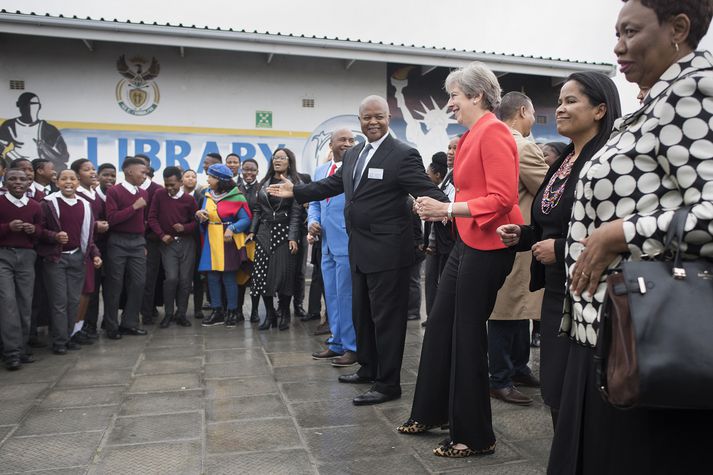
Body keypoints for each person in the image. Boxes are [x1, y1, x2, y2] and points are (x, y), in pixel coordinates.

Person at [547, 2, 713, 473]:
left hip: (645, 335)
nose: (618, 47)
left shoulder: (693, 91)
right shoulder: (656, 101)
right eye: (616, 33)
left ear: (678, 28)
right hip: (605, 329)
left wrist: (619, 234)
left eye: (631, 32)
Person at [268, 95, 448, 405]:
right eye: (367, 118)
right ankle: (368, 368)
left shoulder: (403, 154)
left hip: (390, 253)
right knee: (362, 314)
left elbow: (426, 191)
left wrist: (452, 207)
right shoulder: (355, 154)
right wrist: (296, 191)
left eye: (379, 117)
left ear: (388, 118)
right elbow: (332, 185)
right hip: (359, 248)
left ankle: (389, 384)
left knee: (387, 320)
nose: (373, 122)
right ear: (360, 120)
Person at [399, 62, 522, 457]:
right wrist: (438, 207)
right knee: (439, 326)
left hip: (489, 246)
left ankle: (474, 436)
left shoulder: (496, 132)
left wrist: (447, 210)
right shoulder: (469, 136)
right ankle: (433, 412)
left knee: (467, 335)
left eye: (454, 95)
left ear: (476, 96)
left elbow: (503, 199)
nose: (449, 103)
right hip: (467, 241)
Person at [497, 73, 619, 428]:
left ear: (600, 110)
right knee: (556, 389)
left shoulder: (607, 162)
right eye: (560, 101)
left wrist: (562, 248)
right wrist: (522, 235)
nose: (560, 109)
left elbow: (613, 233)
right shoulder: (565, 158)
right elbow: (550, 220)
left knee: (583, 393)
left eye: (571, 101)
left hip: (590, 293)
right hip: (555, 289)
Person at [488, 92, 549, 406]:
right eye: (533, 114)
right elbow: (548, 193)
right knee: (508, 308)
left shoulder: (493, 141)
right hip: (519, 236)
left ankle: (518, 367)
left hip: (499, 236)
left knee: (515, 306)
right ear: (523, 111)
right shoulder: (523, 146)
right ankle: (500, 377)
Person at [38, 169, 102, 354]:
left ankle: (68, 337)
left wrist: (95, 254)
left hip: (77, 257)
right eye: (63, 178)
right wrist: (54, 236)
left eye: (72, 179)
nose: (68, 182)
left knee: (73, 301)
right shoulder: (48, 203)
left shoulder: (84, 204)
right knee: (59, 302)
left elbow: (87, 237)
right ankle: (59, 341)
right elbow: (38, 230)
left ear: (77, 182)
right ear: (57, 182)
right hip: (56, 259)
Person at [309, 128, 358, 367]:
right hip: (326, 245)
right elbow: (315, 204)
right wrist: (313, 222)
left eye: (351, 140)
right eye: (343, 140)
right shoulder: (320, 171)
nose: (347, 143)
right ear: (331, 144)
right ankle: (336, 342)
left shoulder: (356, 171)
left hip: (348, 244)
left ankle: (352, 347)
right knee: (332, 296)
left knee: (346, 297)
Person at [249, 148, 302, 331]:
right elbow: (257, 210)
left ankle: (285, 313)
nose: (277, 160)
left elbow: (296, 213)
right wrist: (252, 232)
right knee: (261, 276)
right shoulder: (264, 182)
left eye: (282, 158)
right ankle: (270, 314)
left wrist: (293, 237)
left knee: (283, 276)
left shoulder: (295, 183)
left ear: (289, 161)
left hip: (285, 233)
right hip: (264, 232)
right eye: (275, 157)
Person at [196, 164, 252, 327]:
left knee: (228, 277)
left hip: (227, 242)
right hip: (210, 241)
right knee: (212, 277)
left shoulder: (237, 197)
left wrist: (232, 228)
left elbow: (246, 219)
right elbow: (203, 216)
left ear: (220, 180)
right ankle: (217, 311)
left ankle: (232, 311)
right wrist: (199, 215)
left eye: (211, 177)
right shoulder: (206, 195)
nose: (208, 179)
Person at [0, 168, 42, 370]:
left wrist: (34, 230)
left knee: (25, 302)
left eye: (22, 179)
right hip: (3, 256)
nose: (18, 182)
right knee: (7, 303)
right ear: (5, 182)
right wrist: (8, 227)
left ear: (28, 183)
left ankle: (22, 347)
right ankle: (11, 352)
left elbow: (40, 231)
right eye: (12, 179)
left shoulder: (34, 206)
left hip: (26, 257)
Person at [103, 157, 149, 340]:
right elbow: (112, 219)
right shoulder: (114, 191)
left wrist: (143, 243)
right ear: (129, 171)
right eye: (142, 172)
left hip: (138, 242)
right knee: (115, 285)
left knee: (139, 283)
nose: (145, 176)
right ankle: (111, 326)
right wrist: (134, 207)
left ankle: (129, 323)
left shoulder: (144, 193)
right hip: (118, 241)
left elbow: (142, 221)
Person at [148, 166, 199, 328]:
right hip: (167, 243)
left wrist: (185, 228)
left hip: (186, 244)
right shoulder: (159, 195)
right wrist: (162, 235)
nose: (169, 188)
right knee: (171, 278)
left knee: (185, 280)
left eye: (173, 185)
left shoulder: (189, 200)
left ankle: (181, 313)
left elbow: (196, 222)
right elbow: (152, 218)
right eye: (167, 184)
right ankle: (169, 313)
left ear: (180, 181)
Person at [72, 158, 109, 344]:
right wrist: (95, 225)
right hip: (83, 248)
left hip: (98, 247)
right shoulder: (76, 195)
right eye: (87, 169)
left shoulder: (94, 193)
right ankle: (78, 327)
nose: (92, 172)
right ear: (77, 174)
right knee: (84, 290)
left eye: (93, 168)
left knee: (93, 290)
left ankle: (90, 325)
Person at [423, 151, 454, 325]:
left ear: (437, 175)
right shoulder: (439, 187)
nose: (451, 152)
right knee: (430, 280)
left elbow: (447, 215)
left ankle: (438, 317)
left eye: (428, 175)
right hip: (434, 244)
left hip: (446, 244)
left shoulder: (451, 184)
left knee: (442, 282)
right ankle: (432, 316)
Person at [0, 92, 69, 170]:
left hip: (40, 167)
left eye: (34, 104)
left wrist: (47, 151)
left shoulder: (48, 128)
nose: (30, 108)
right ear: (19, 106)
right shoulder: (9, 125)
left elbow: (64, 156)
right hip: (17, 165)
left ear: (39, 106)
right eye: (27, 105)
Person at [134, 154, 164, 326]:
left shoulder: (157, 189)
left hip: (151, 240)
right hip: (130, 239)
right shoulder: (125, 189)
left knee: (150, 278)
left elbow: (157, 216)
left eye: (143, 166)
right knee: (134, 280)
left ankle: (147, 312)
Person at [237, 158, 261, 323]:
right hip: (239, 239)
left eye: (252, 170)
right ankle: (238, 311)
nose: (249, 173)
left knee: (255, 277)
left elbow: (260, 211)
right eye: (246, 169)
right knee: (239, 276)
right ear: (241, 171)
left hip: (256, 238)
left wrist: (252, 231)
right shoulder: (235, 189)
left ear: (257, 172)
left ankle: (254, 311)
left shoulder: (262, 189)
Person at [182, 169, 207, 320]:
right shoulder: (176, 195)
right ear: (181, 179)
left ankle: (198, 308)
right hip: (182, 239)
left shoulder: (201, 195)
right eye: (187, 176)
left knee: (198, 277)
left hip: (198, 240)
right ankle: (181, 309)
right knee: (182, 277)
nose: (191, 179)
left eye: (193, 176)